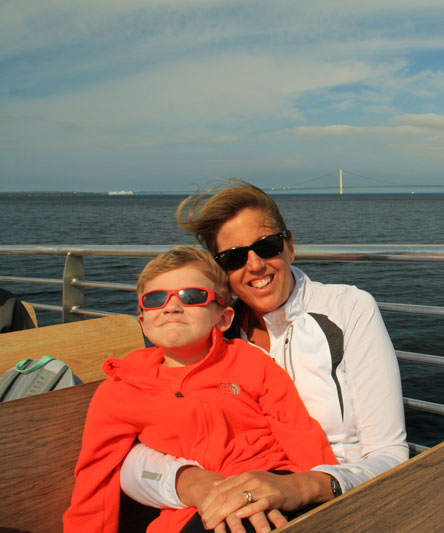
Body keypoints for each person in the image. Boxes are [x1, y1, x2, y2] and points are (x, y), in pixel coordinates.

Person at [120, 180, 408, 531]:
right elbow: (131, 456)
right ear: (221, 272)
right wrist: (191, 483)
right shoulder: (210, 334)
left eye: (267, 245)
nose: (254, 265)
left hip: (344, 503)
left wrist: (300, 486)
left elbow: (390, 455)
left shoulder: (347, 309)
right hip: (236, 506)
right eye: (234, 257)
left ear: (289, 246)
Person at [63, 247, 337, 532]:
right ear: (143, 322)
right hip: (195, 513)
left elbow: (297, 431)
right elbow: (96, 477)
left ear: (223, 318)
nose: (171, 307)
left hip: (271, 486)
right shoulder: (121, 389)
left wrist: (329, 497)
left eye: (191, 296)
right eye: (155, 299)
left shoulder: (251, 362)